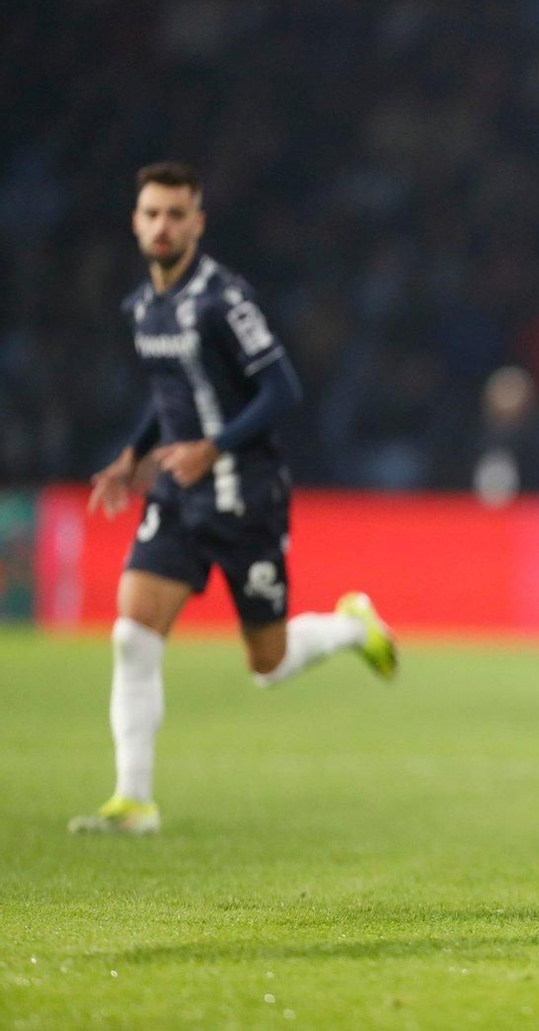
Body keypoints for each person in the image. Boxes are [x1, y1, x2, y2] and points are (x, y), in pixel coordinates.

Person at [69, 162, 396, 835]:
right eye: (152, 214)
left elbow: (282, 388)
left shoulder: (223, 299)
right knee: (132, 636)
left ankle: (351, 627)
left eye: (176, 214)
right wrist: (133, 456)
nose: (163, 227)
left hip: (246, 494)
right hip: (178, 495)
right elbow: (170, 398)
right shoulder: (143, 307)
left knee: (267, 663)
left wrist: (213, 447)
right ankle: (134, 801)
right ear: (137, 221)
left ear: (197, 222)